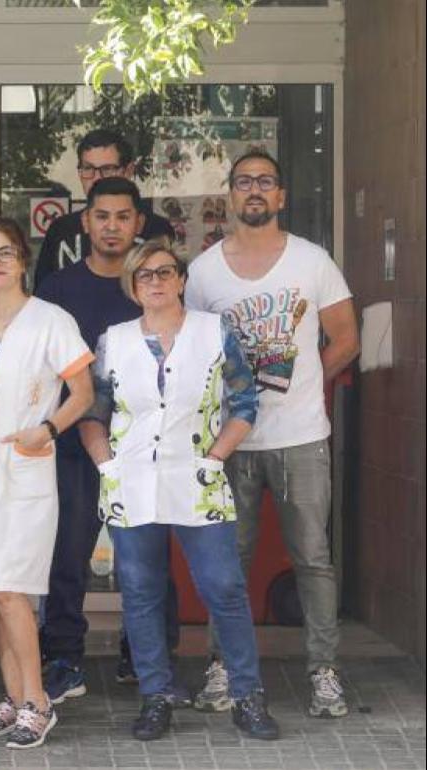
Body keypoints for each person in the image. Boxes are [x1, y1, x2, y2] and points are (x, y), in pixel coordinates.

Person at [78, 239, 280, 742]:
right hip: (132, 483)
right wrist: (106, 466)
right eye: (144, 275)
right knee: (142, 594)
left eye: (165, 272)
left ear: (182, 279)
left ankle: (247, 695)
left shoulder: (214, 333)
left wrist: (216, 458)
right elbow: (92, 412)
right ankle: (156, 696)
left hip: (198, 479)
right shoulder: (114, 340)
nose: (156, 282)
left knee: (224, 588)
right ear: (132, 285)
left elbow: (245, 403)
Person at [185, 150, 359, 718]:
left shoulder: (312, 261)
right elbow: (193, 355)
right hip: (232, 443)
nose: (254, 190)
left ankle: (325, 672)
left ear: (281, 196)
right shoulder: (205, 270)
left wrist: (309, 384)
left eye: (265, 182)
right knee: (225, 559)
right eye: (244, 182)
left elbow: (346, 338)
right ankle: (222, 666)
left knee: (312, 556)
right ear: (230, 195)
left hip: (301, 436)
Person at [35, 176, 183, 702]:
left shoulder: (154, 285)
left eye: (124, 217)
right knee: (68, 556)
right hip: (75, 445)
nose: (113, 226)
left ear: (139, 223)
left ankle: (146, 660)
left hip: (147, 448)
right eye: (103, 216)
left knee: (146, 562)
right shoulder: (57, 290)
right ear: (86, 222)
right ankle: (63, 660)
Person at [0, 217, 94, 749]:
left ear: (22, 260)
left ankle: (38, 701)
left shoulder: (51, 320)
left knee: (13, 590)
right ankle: (13, 697)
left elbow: (82, 392)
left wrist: (48, 427)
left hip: (28, 465)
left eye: (6, 252)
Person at [34, 128, 174, 289]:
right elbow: (42, 296)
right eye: (88, 169)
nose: (97, 178)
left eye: (107, 169)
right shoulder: (61, 229)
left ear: (128, 171)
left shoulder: (156, 229)